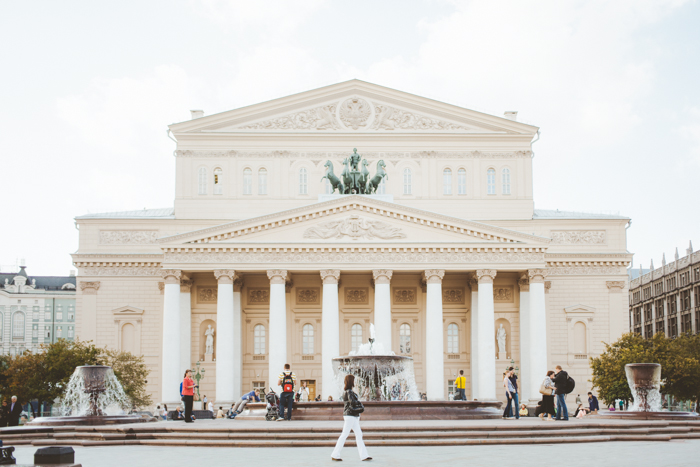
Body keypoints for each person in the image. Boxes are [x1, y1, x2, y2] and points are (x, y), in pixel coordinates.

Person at [331, 374, 371, 462]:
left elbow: (353, 402)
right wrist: (360, 405)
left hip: (352, 416)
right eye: (354, 380)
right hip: (350, 415)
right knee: (345, 434)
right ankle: (335, 454)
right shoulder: (349, 392)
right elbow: (353, 403)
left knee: (358, 434)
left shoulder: (348, 391)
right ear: (351, 381)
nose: (355, 382)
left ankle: (364, 455)